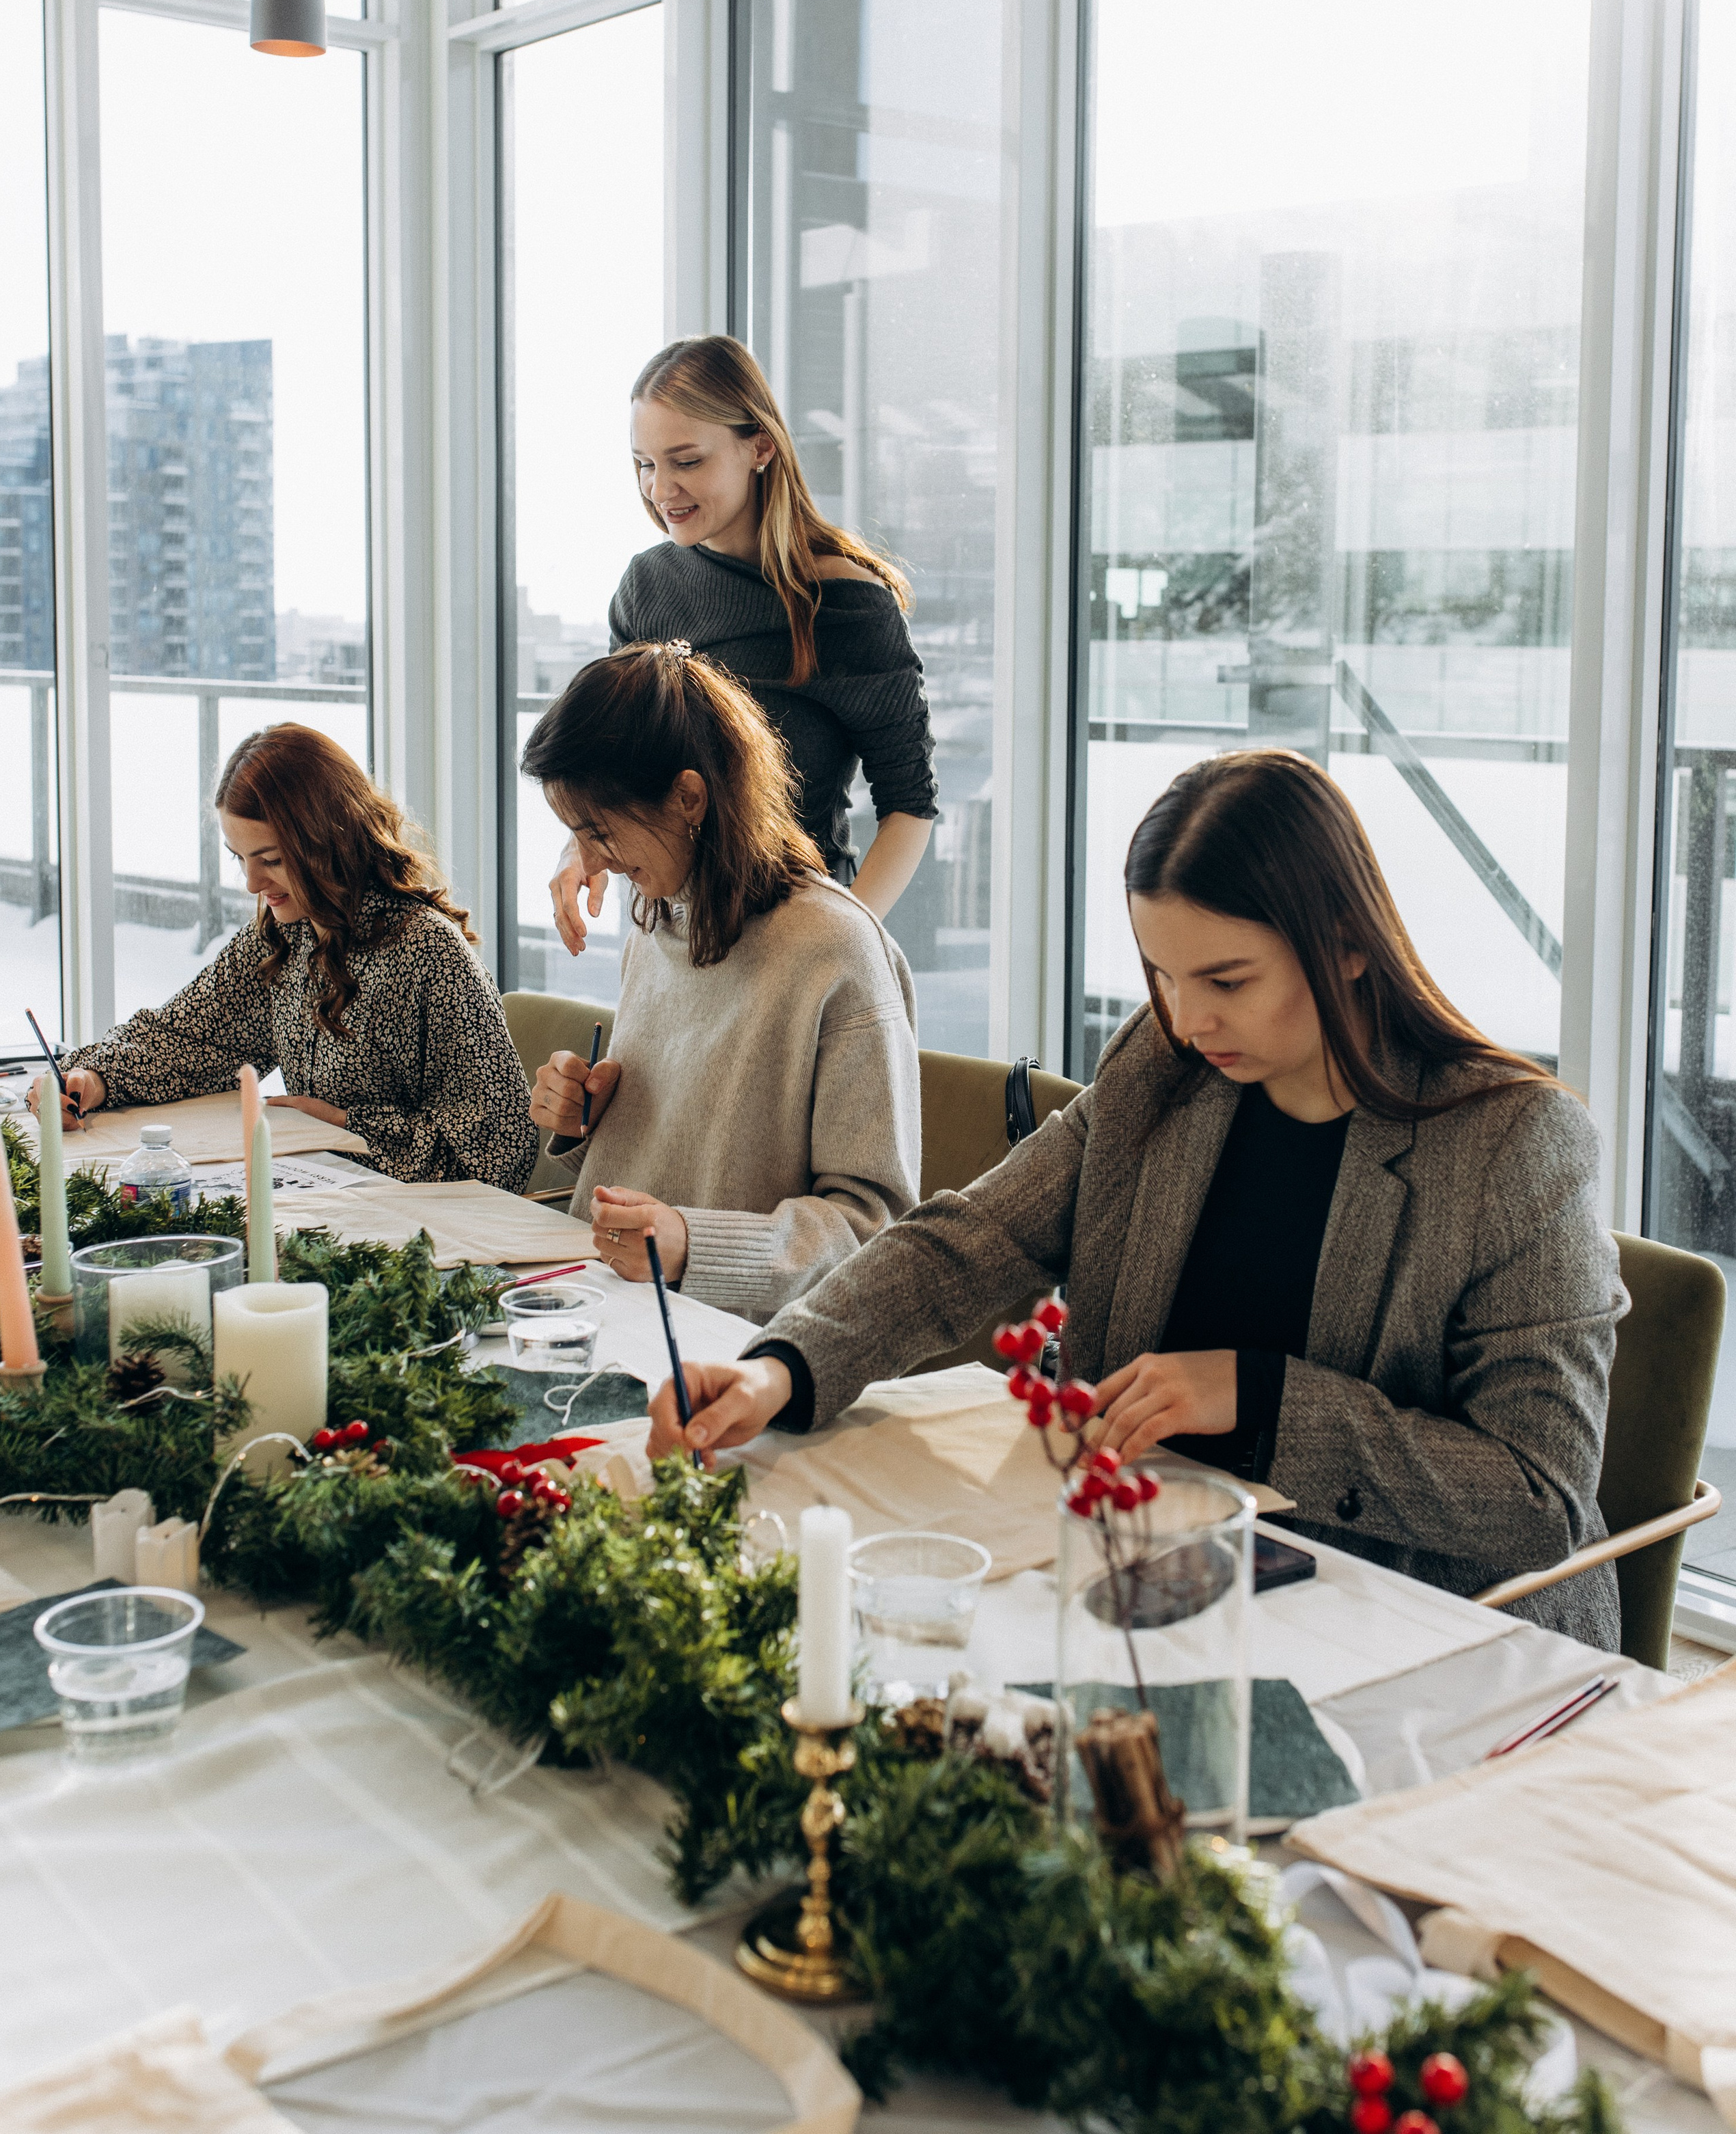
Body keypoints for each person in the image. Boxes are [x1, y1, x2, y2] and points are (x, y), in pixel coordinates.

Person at [646, 749, 1627, 1647]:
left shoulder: (1517, 1147)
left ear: (1348, 942)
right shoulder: (1166, 1067)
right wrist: (784, 1366)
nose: (1191, 1016)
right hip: (1156, 1577)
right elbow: (970, 1240)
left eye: (1228, 980)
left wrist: (1257, 1396)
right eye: (1161, 972)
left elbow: (1538, 1498)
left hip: (1423, 1628)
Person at [522, 640, 920, 1323]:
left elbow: (873, 1231)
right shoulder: (656, 917)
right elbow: (674, 1158)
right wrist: (581, 1122)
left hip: (742, 1357)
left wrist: (691, 1246)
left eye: (600, 832)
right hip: (618, 1305)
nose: (592, 862)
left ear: (687, 797)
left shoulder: (836, 949)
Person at [549, 334, 937, 961]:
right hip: (667, 939)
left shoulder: (845, 604)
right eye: (644, 464)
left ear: (760, 446)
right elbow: (613, 770)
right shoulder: (645, 587)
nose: (660, 489)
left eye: (687, 461)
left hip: (797, 938)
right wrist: (582, 847)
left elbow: (910, 806)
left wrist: (843, 938)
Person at [40, 724, 536, 1192]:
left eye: (271, 861)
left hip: (422, 1230)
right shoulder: (284, 938)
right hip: (331, 1198)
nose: (253, 884)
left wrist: (347, 1126)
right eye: (240, 859)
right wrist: (92, 1078)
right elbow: (187, 1038)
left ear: (330, 839)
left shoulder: (429, 952)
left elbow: (499, 1153)